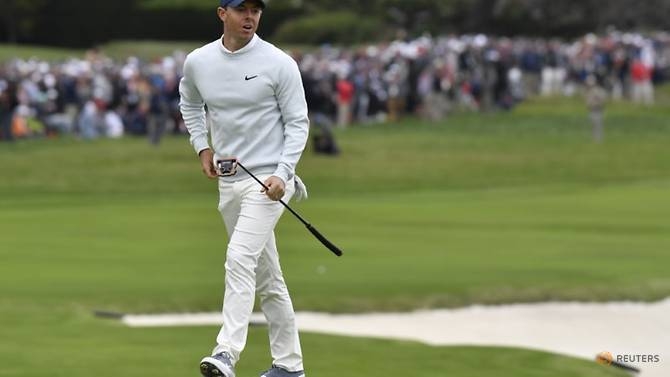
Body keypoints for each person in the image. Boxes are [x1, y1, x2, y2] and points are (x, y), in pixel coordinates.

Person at [178, 1, 309, 377]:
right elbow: (189, 102)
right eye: (241, 10)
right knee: (269, 279)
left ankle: (226, 352)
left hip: (270, 183)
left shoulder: (279, 62)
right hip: (229, 182)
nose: (250, 17)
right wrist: (201, 145)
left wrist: (284, 173)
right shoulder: (199, 62)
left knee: (238, 258)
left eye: (256, 10)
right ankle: (289, 366)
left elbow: (298, 123)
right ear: (222, 13)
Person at [585, 75, 607, 143]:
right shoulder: (589, 91)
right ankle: (595, 139)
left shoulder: (599, 90)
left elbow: (602, 99)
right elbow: (588, 101)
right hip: (592, 109)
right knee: (593, 125)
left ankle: (598, 139)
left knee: (598, 125)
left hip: (598, 109)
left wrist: (597, 102)